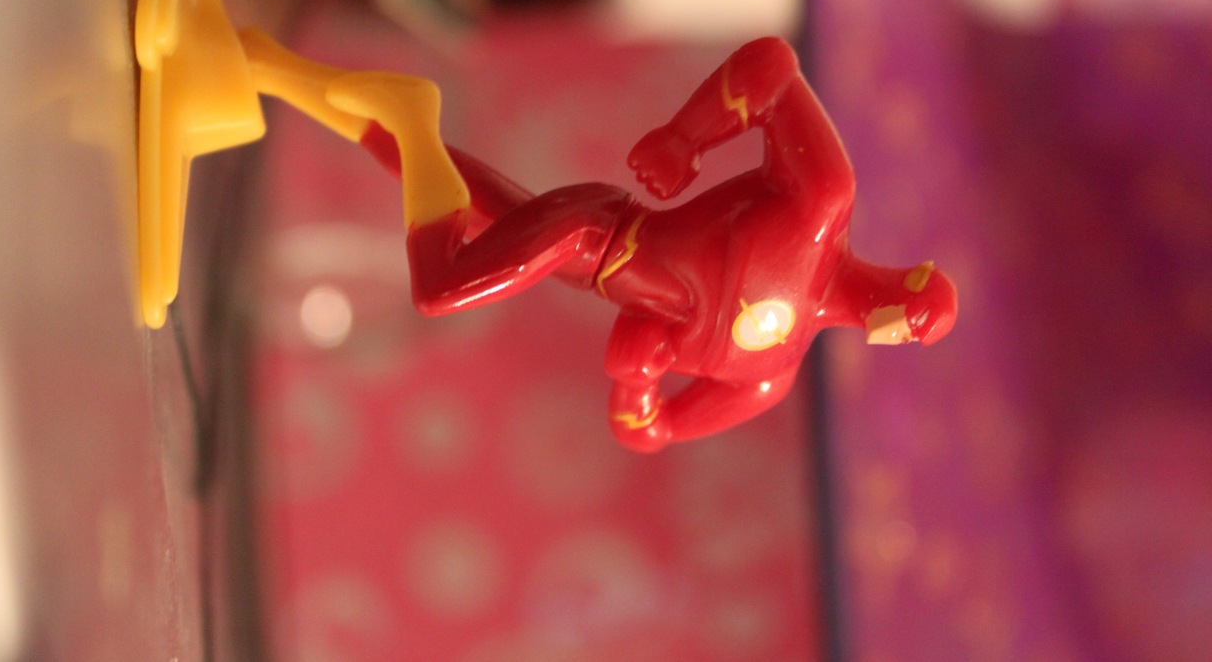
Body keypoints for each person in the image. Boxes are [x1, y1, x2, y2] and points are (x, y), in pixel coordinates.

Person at [331, 37, 957, 452]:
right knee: (440, 288)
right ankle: (412, 118)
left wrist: (636, 382)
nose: (899, 331)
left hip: (587, 269)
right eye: (913, 317)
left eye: (912, 336)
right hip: (596, 227)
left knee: (467, 195)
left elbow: (650, 433)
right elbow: (770, 70)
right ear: (910, 277)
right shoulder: (820, 207)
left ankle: (348, 111)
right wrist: (683, 139)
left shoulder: (767, 378)